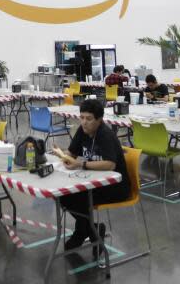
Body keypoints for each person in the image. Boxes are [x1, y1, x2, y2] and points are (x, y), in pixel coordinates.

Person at [53, 99, 129, 251]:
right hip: (94, 181)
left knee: (77, 197)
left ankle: (83, 232)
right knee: (63, 195)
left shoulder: (105, 135)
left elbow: (110, 164)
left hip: (115, 186)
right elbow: (72, 152)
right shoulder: (82, 131)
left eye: (89, 119)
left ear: (99, 120)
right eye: (81, 118)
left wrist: (81, 164)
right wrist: (62, 155)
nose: (84, 122)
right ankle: (91, 229)